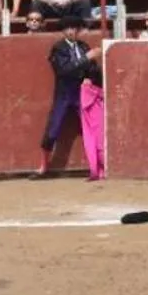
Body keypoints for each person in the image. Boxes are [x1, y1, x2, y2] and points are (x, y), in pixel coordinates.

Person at [31, 15, 101, 179]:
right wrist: (87, 58)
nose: (71, 31)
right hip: (64, 94)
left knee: (90, 129)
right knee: (53, 129)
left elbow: (93, 69)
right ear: (63, 31)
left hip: (81, 93)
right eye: (68, 28)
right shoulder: (59, 48)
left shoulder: (84, 46)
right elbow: (63, 70)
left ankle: (96, 166)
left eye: (74, 28)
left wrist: (90, 76)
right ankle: (43, 167)